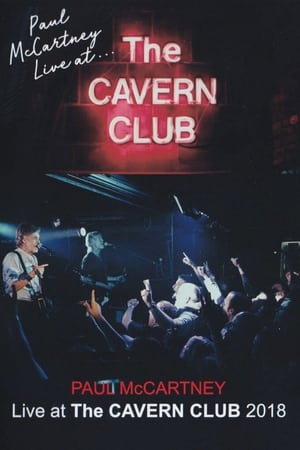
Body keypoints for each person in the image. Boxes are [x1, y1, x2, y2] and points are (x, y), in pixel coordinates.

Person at [80, 231, 126, 307]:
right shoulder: (89, 259)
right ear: (91, 243)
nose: (102, 241)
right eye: (99, 239)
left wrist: (116, 278)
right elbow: (85, 279)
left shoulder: (98, 257)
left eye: (102, 238)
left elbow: (98, 276)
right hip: (92, 298)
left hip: (99, 296)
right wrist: (106, 286)